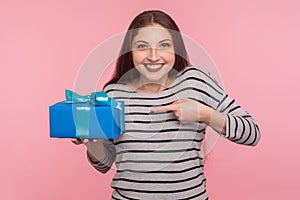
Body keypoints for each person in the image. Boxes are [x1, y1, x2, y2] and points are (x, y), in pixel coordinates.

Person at [72, 10, 260, 200]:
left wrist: (204, 114)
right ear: (130, 52)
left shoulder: (195, 82)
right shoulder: (114, 94)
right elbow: (104, 164)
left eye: (164, 45)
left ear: (175, 49)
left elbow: (252, 134)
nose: (154, 56)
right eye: (142, 46)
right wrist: (91, 142)